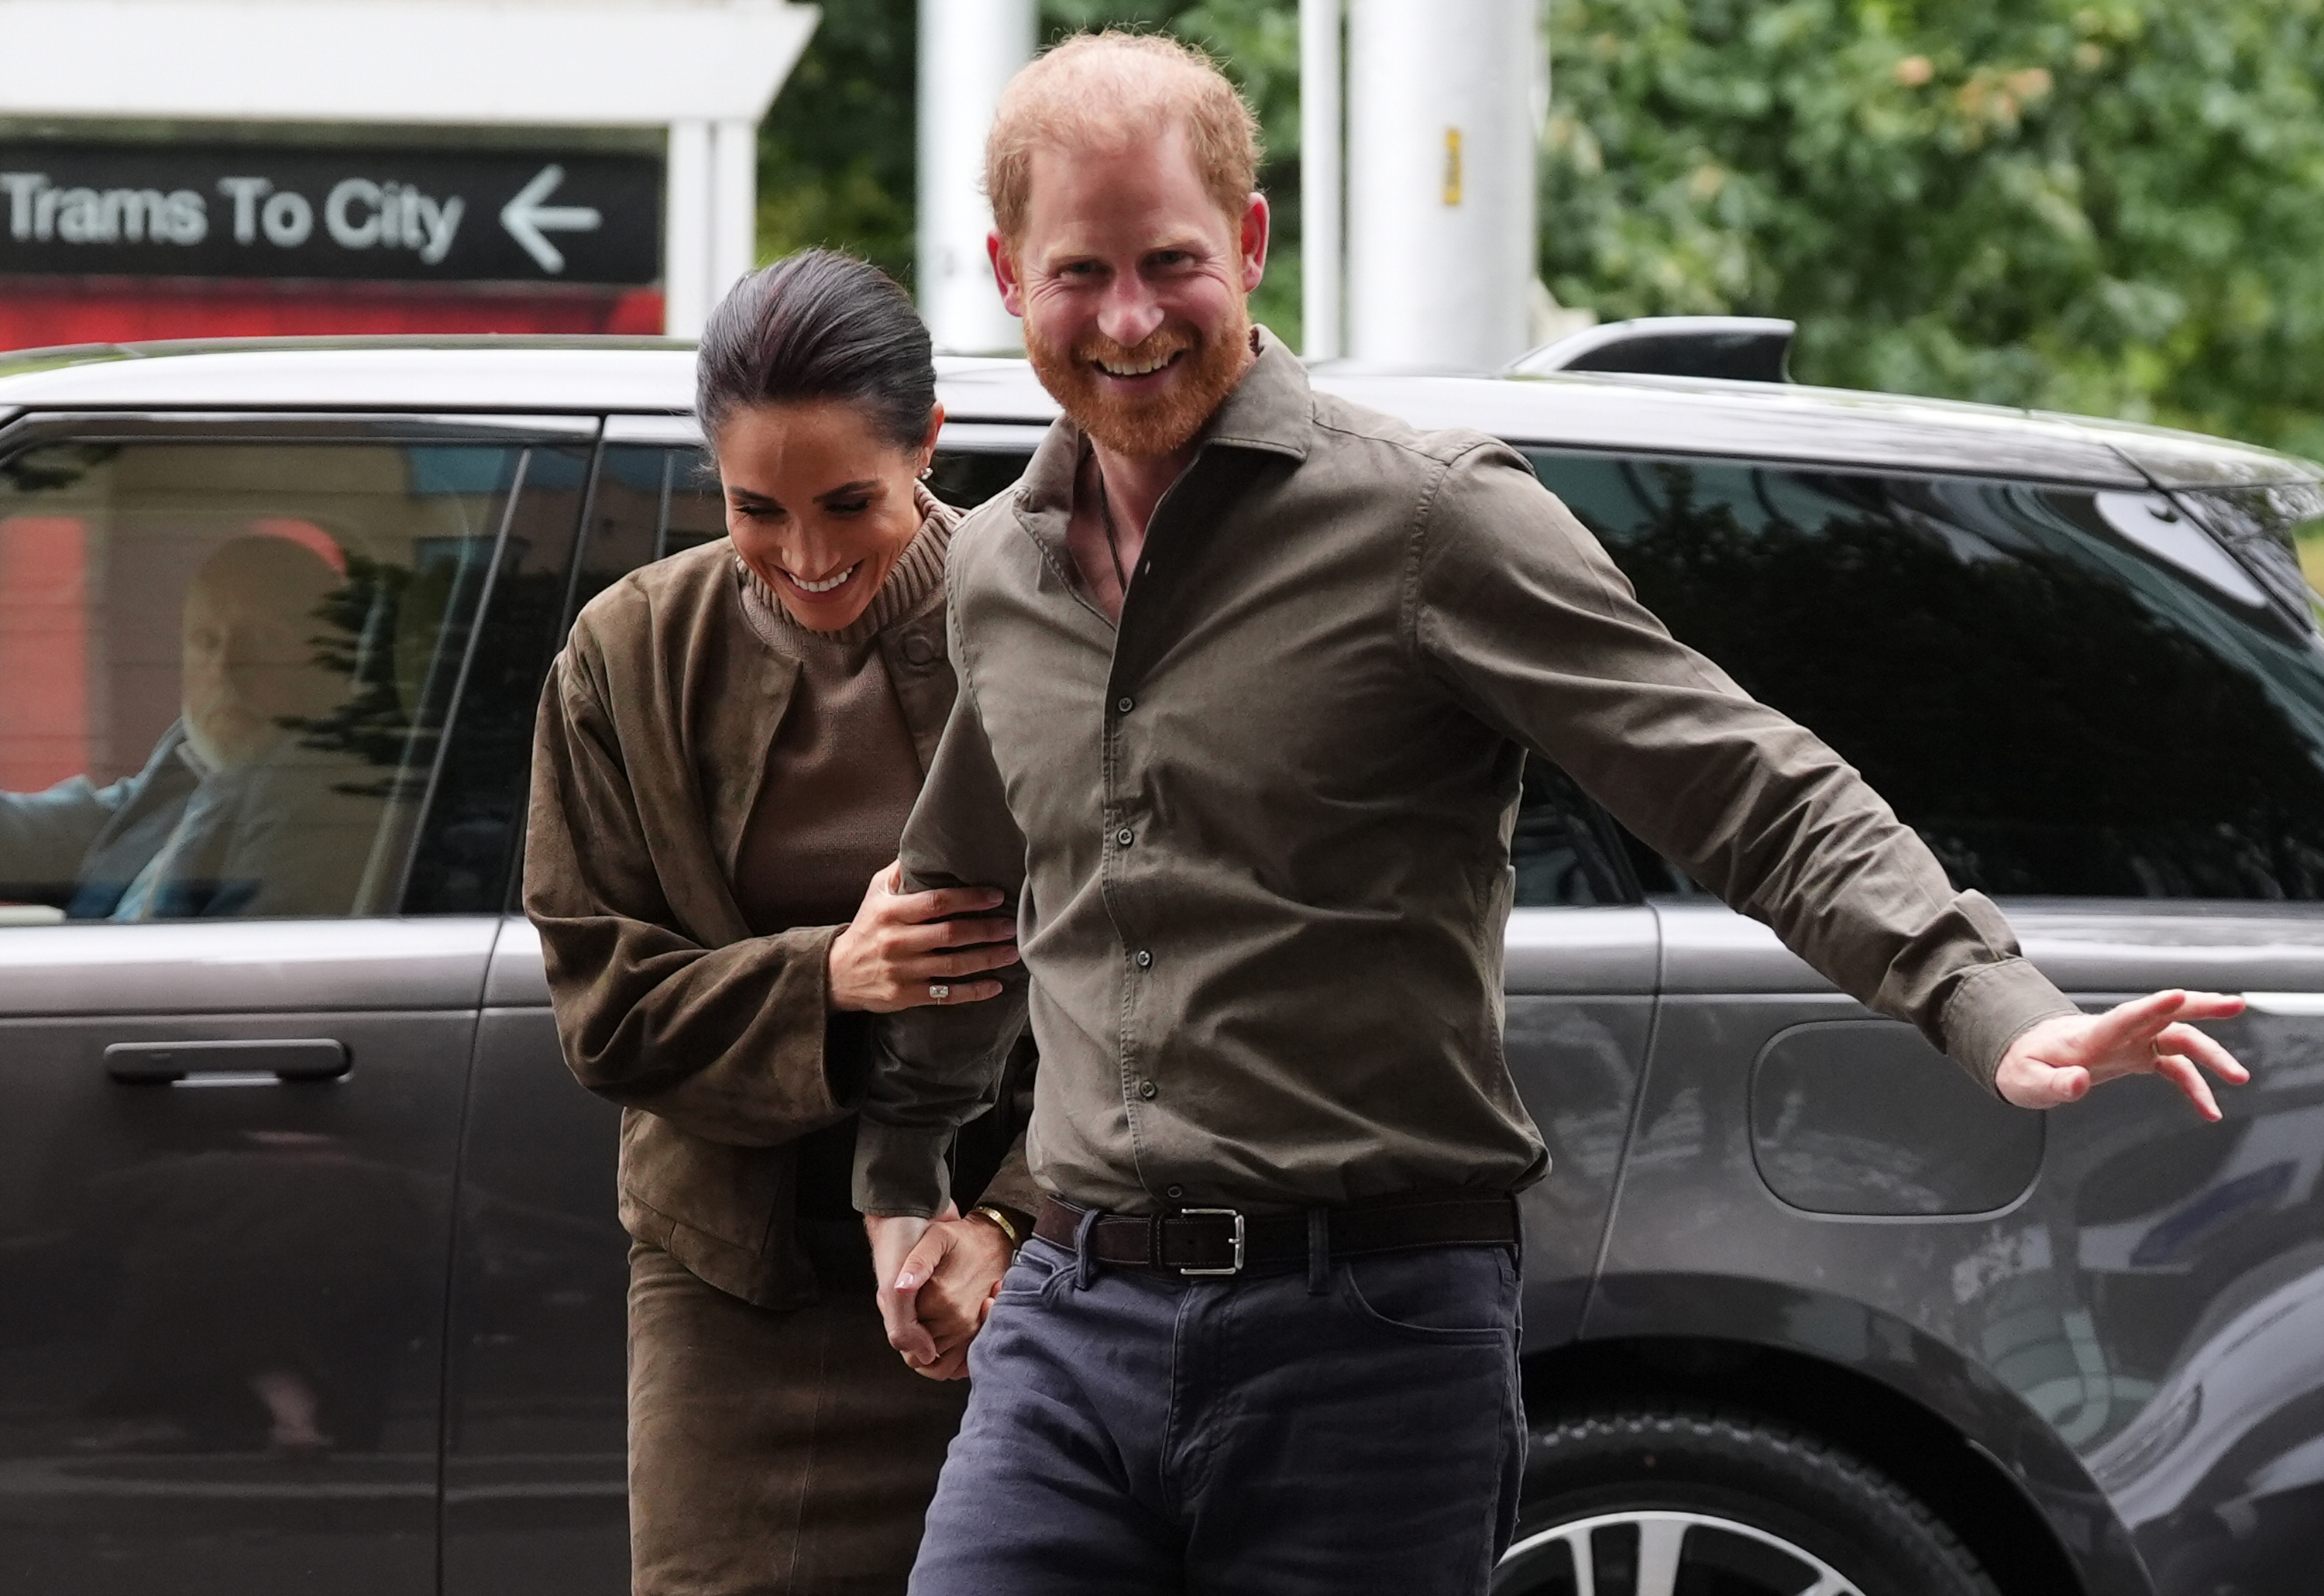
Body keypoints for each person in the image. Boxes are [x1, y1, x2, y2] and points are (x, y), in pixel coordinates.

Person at [849, 31, 2253, 1596]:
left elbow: (1737, 774)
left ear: (1248, 244)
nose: (1127, 319)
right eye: (1079, 272)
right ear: (1005, 274)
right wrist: (907, 1176)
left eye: (1169, 261)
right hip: (1074, 1319)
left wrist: (1982, 997)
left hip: (1363, 1336)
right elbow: (960, 902)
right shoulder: (991, 570)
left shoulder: (1428, 522)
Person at [523, 251, 1036, 1596]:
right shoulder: (627, 655)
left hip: (1010, 1273)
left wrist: (1012, 1226)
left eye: (850, 504)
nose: (807, 559)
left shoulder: (1048, 623)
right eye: (758, 509)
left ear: (929, 441)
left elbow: (1150, 984)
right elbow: (607, 1006)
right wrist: (838, 979)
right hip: (727, 1279)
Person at [0, 533, 376, 920]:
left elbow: (248, 968)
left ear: (331, 663)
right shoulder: (195, 761)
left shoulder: (318, 793)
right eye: (207, 641)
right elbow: (91, 825)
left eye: (266, 640)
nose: (226, 669)